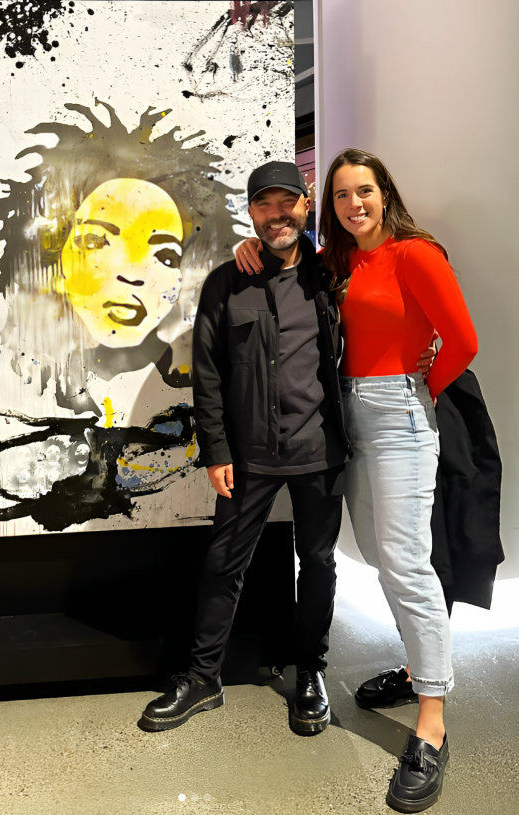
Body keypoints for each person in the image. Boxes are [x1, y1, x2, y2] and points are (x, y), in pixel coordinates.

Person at [138, 161, 435, 740]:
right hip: (247, 454)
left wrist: (430, 348)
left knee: (318, 563)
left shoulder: (333, 274)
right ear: (251, 213)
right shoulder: (227, 282)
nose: (277, 215)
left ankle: (311, 671)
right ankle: (203, 677)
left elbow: (388, 310)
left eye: (287, 202)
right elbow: (208, 374)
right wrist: (216, 449)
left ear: (305, 205)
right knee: (225, 562)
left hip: (320, 449)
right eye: (264, 205)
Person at [235, 149, 476, 813]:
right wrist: (244, 246)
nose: (353, 204)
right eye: (341, 195)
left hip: (397, 414)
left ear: (383, 193)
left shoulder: (415, 253)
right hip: (345, 412)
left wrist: (414, 392)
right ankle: (415, 668)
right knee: (374, 552)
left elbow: (461, 341)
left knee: (405, 561)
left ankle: (432, 720)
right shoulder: (340, 261)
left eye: (363, 191)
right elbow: (286, 256)